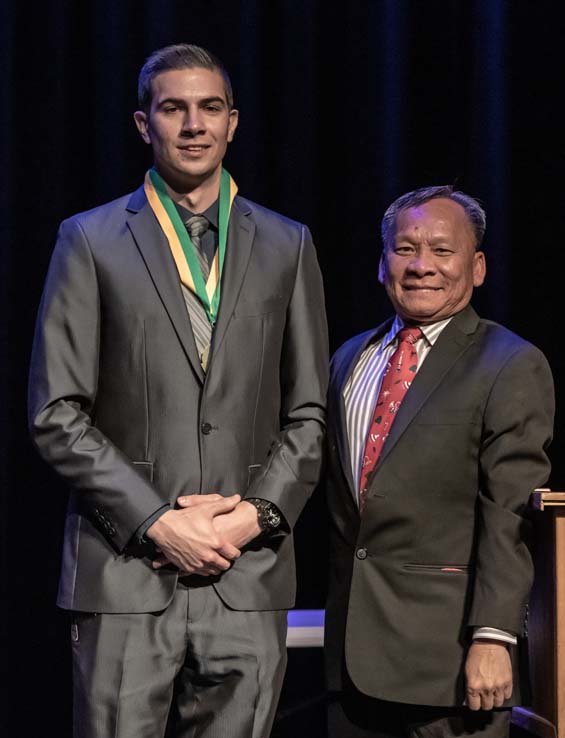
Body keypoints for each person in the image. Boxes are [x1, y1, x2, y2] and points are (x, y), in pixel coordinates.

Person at [28, 43, 328, 738]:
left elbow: (309, 411)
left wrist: (252, 516)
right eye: (174, 108)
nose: (193, 124)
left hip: (245, 573)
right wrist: (159, 522)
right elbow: (56, 412)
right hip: (126, 573)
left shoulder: (287, 244)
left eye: (209, 108)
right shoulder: (90, 239)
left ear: (233, 123)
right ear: (143, 123)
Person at [324, 186, 554, 738]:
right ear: (382, 265)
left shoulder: (510, 363)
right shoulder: (348, 358)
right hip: (350, 667)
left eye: (442, 251)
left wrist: (494, 637)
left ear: (476, 268)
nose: (422, 265)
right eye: (405, 249)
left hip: (450, 669)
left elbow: (509, 515)